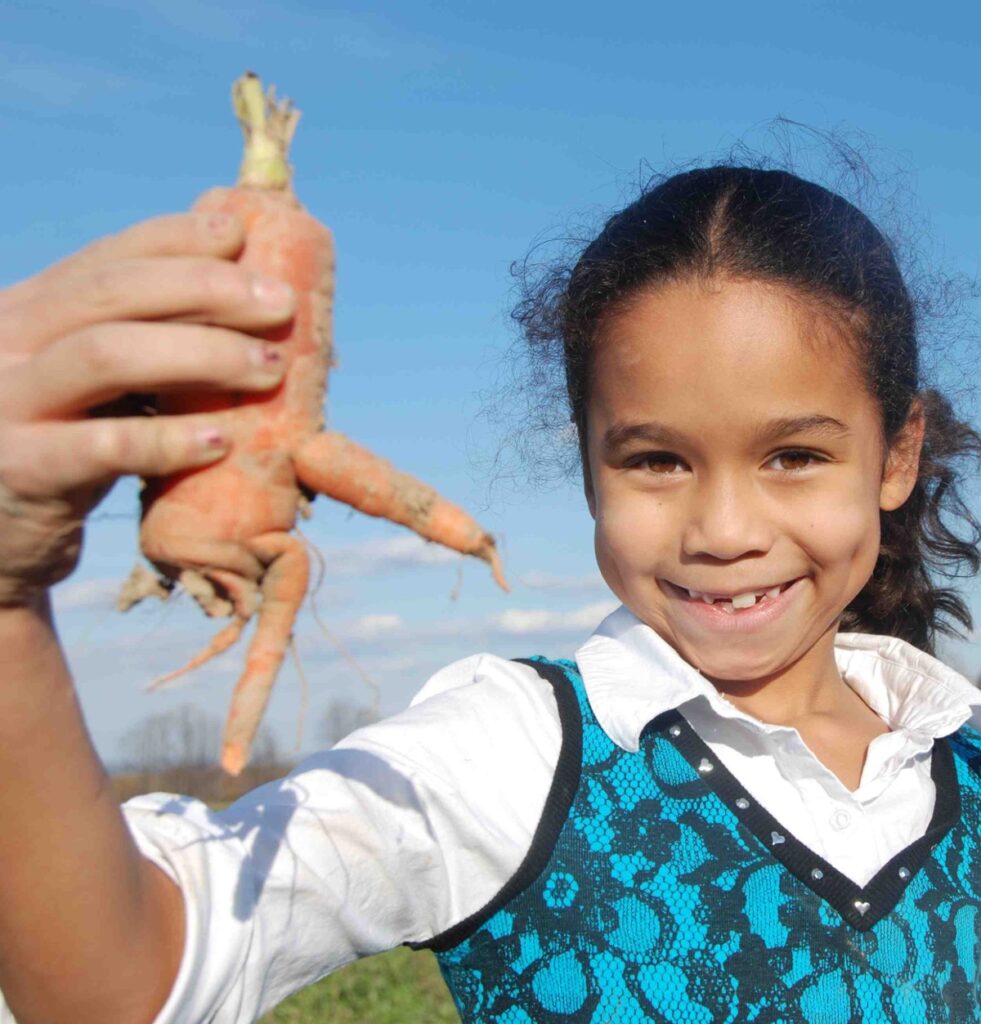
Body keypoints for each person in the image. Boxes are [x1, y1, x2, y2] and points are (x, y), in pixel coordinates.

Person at [0, 161, 979, 1024]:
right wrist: (9, 603)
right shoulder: (516, 757)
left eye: (795, 455)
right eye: (657, 461)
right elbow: (124, 985)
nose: (724, 532)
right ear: (591, 468)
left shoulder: (964, 755)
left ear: (897, 455)